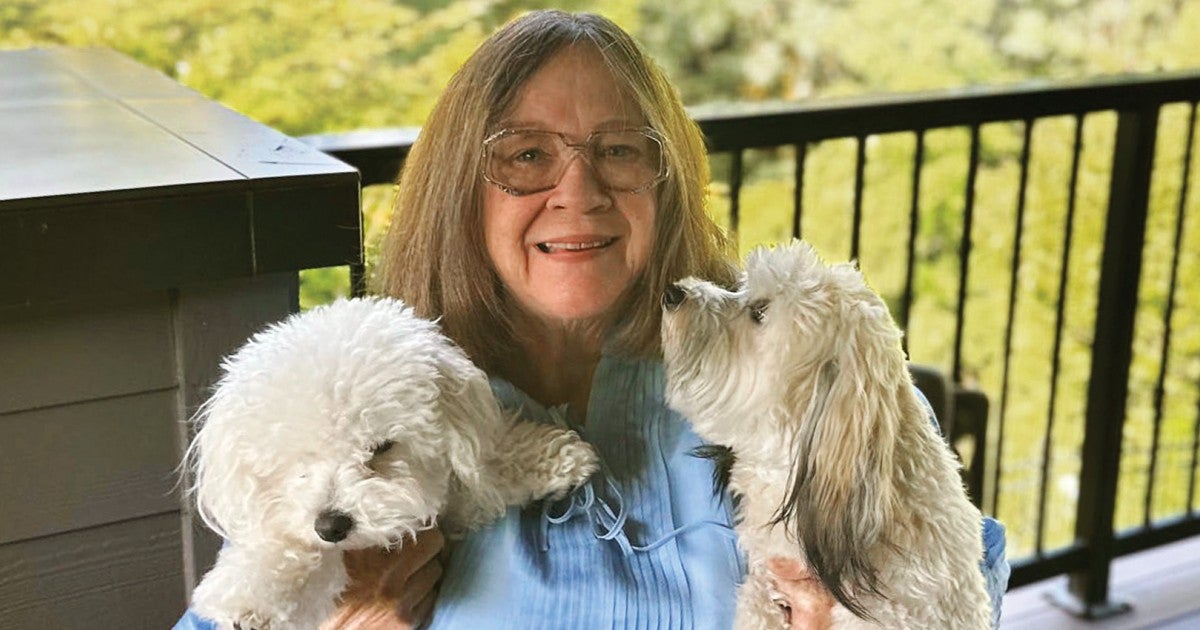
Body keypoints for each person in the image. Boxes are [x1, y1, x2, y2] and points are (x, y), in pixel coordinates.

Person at [176, 9, 1008, 629]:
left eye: (618, 150)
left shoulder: (790, 375)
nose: (578, 191)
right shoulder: (377, 409)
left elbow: (961, 576)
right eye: (525, 155)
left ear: (666, 181)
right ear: (460, 191)